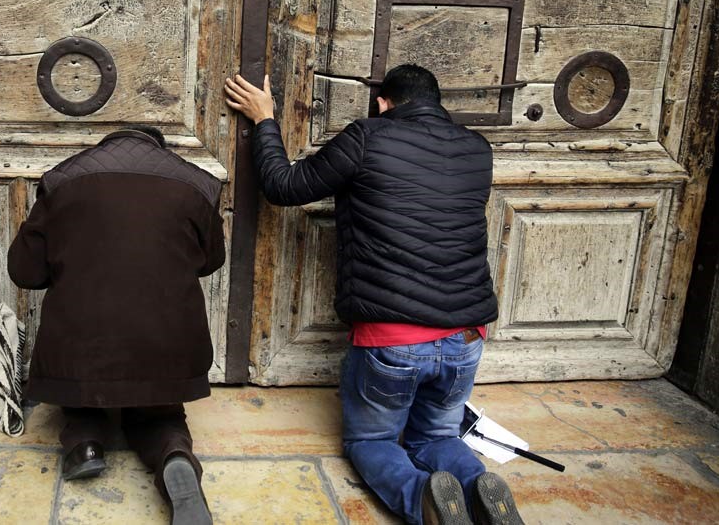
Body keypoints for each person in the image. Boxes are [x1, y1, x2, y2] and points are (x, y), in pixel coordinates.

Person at [224, 65, 524, 525]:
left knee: (373, 443)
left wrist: (265, 119)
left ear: (383, 103)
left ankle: (424, 501)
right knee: (438, 437)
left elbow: (284, 186)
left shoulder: (367, 136)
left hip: (393, 339)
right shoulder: (476, 149)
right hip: (467, 337)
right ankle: (480, 489)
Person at [8, 125, 224, 525]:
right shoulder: (198, 182)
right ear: (159, 147)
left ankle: (85, 442)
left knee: (81, 397)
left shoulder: (62, 178)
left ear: (105, 145)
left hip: (81, 351)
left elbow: (24, 271)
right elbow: (211, 261)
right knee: (160, 414)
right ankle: (174, 458)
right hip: (168, 350)